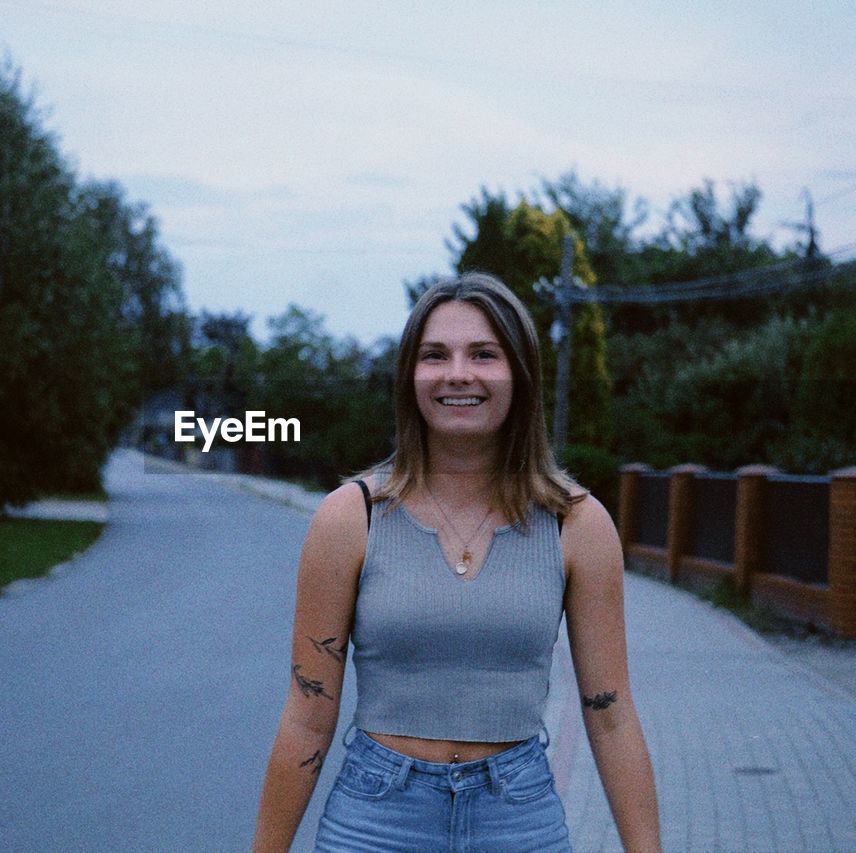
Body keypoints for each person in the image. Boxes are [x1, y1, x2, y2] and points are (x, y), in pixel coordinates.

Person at [251, 272, 660, 852]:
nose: (458, 374)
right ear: (409, 378)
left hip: (519, 821)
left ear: (520, 373)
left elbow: (612, 716)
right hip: (375, 823)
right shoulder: (351, 518)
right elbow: (307, 715)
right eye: (435, 355)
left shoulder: (578, 525)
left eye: (485, 354)